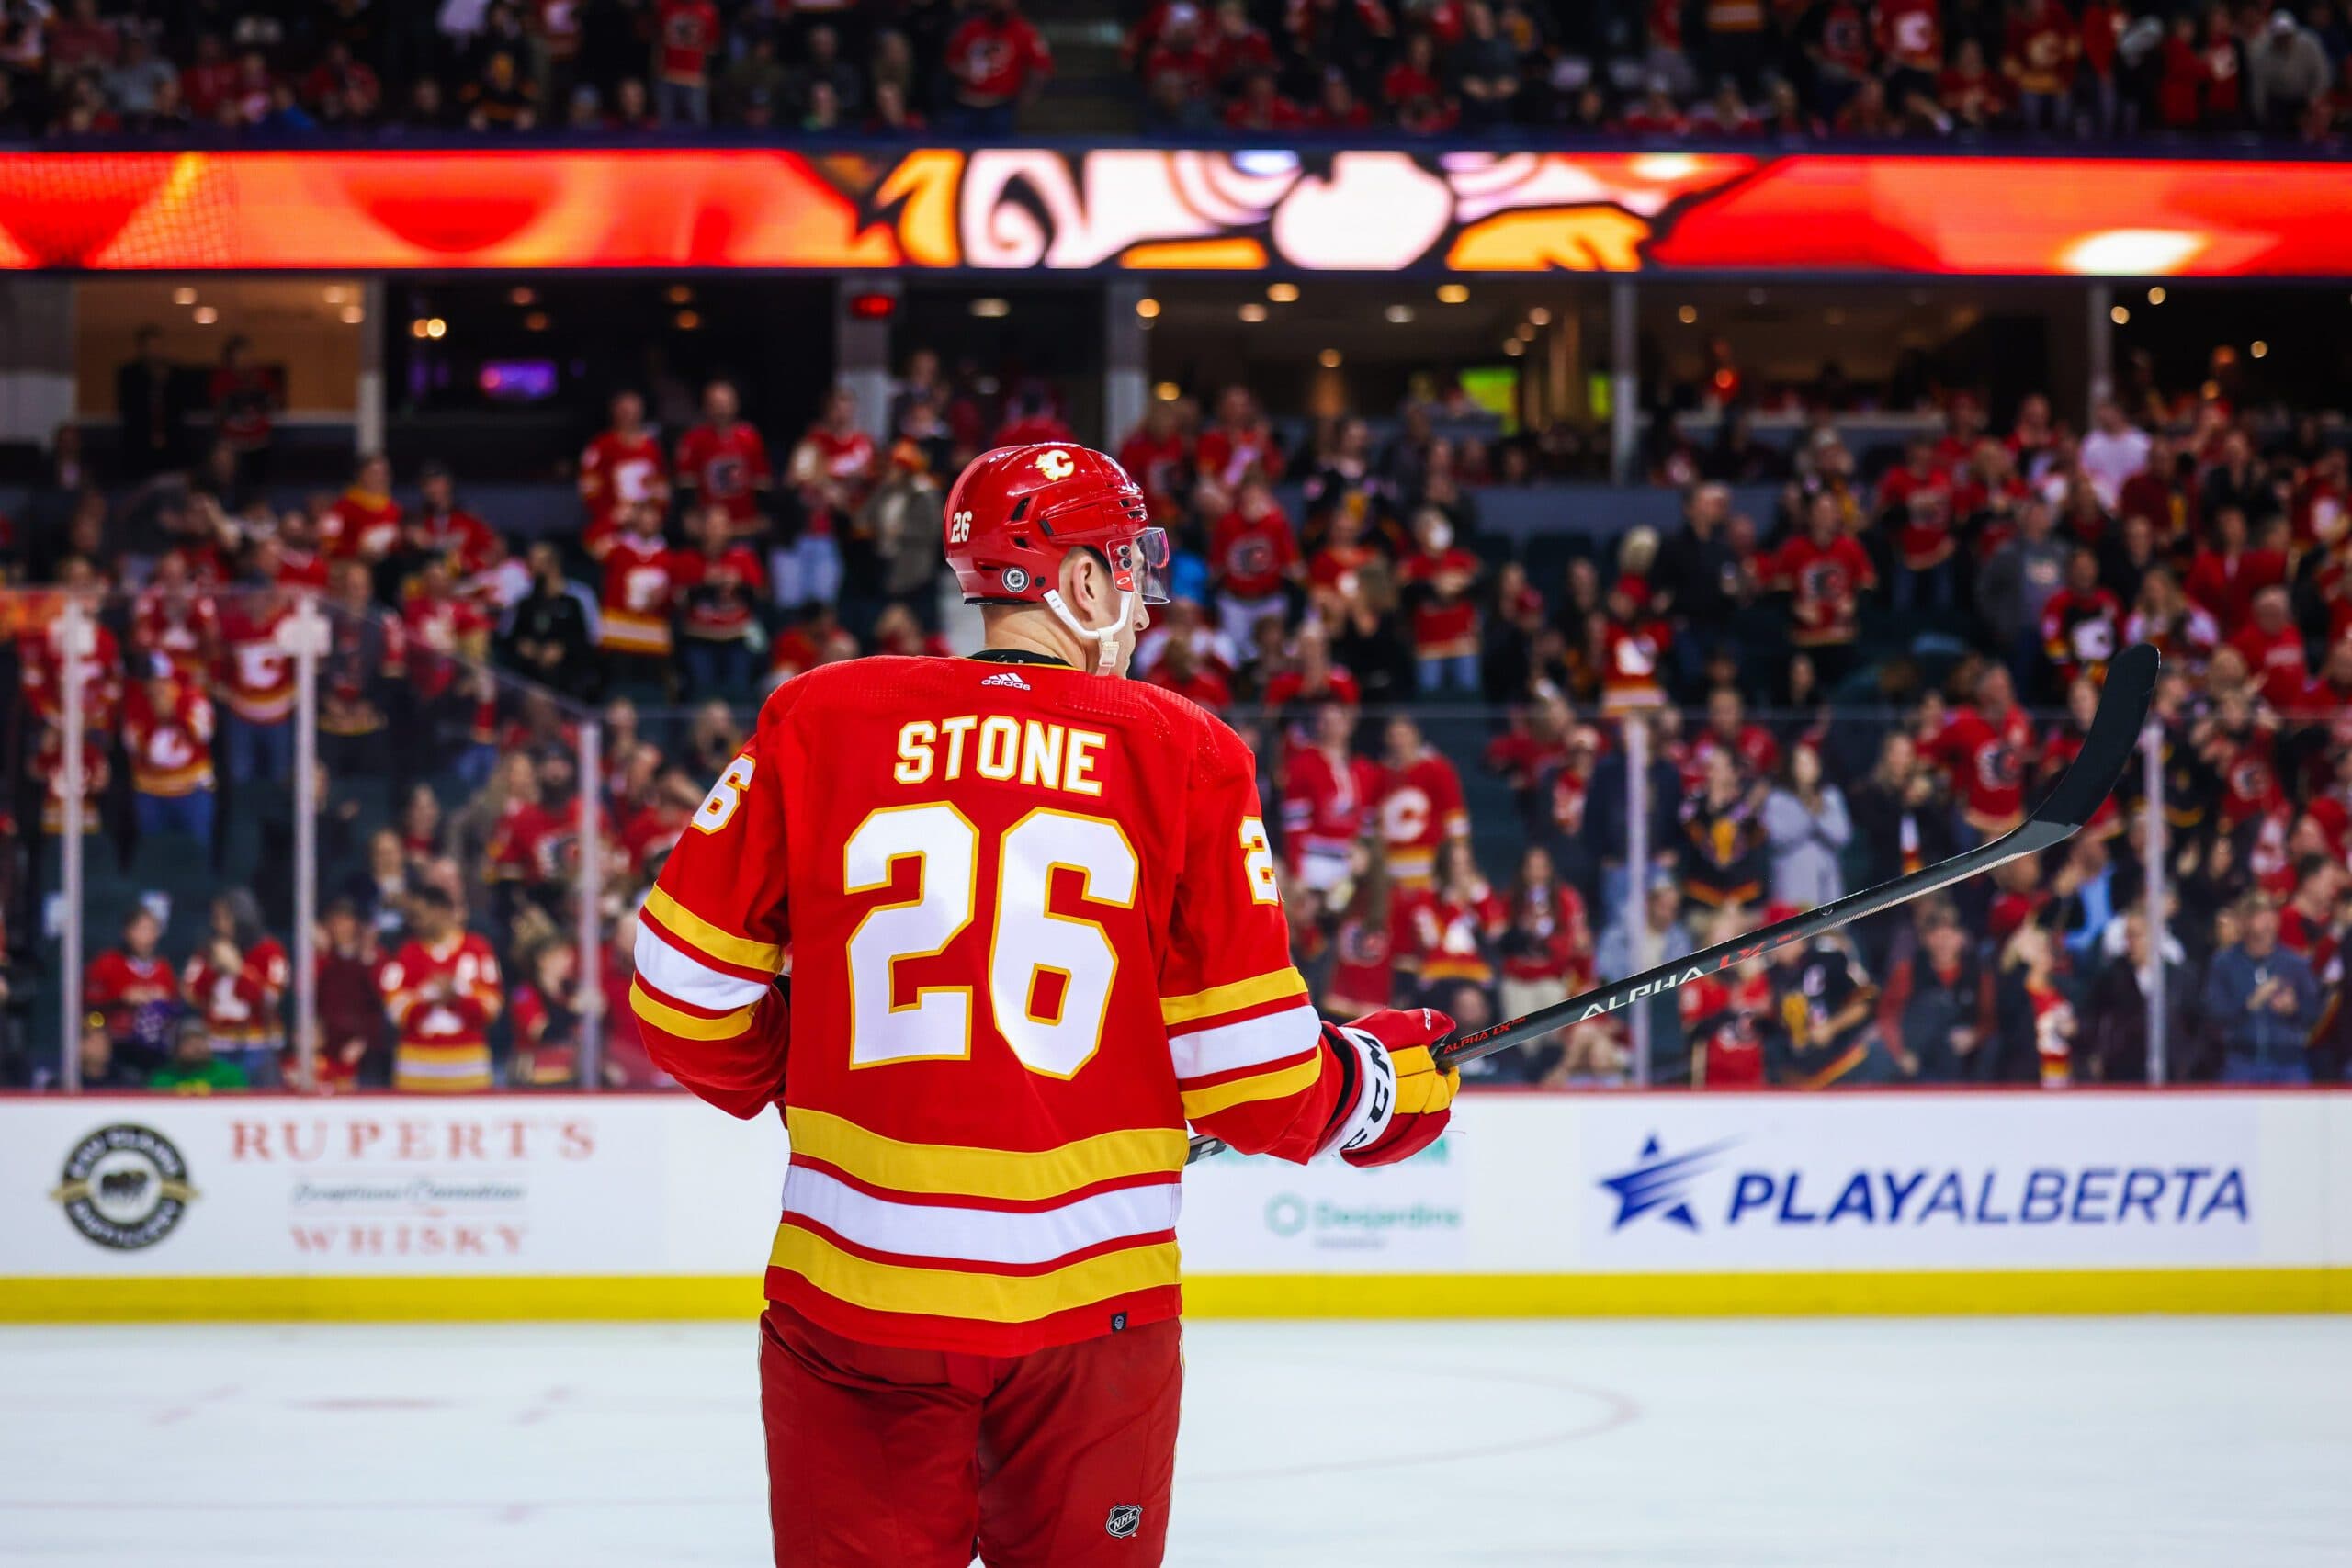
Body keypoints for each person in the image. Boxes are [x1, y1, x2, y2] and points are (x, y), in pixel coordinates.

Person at [629, 440, 1456, 1566]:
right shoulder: (1186, 750)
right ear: (1077, 581)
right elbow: (1254, 1082)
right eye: (1126, 566)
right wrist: (1378, 1084)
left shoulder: (821, 715)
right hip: (1091, 1315)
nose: (1141, 600)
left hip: (855, 1297)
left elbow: (681, 995)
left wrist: (807, 1072)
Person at [378, 883, 504, 1092]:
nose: (415, 923)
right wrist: (429, 998)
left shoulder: (477, 949)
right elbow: (394, 1010)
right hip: (416, 1071)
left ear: (440, 911)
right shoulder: (406, 954)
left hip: (468, 1070)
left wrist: (457, 996)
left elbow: (492, 1008)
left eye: (419, 915)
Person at [2200, 893, 2320, 1083]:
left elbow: (2314, 1012)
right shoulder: (2224, 964)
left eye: (2271, 915)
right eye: (2260, 915)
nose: (2268, 922)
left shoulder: (2295, 964)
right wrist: (2249, 1004)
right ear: (2245, 921)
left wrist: (2293, 1008)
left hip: (2289, 1062)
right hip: (2241, 1061)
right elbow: (2214, 1012)